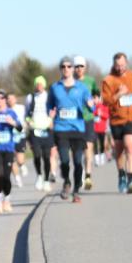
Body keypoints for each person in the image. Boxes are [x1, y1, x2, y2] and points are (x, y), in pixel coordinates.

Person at [48, 56, 93, 203]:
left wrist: (91, 104)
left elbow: (91, 105)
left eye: (69, 66)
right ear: (60, 69)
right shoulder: (55, 87)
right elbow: (49, 105)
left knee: (78, 161)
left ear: (73, 69)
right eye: (63, 66)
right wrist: (51, 113)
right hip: (61, 129)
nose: (66, 69)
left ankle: (76, 191)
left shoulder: (82, 87)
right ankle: (67, 181)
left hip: (78, 129)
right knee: (65, 160)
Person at [101, 52, 132, 193]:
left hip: (131, 118)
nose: (120, 68)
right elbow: (105, 101)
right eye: (118, 65)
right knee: (119, 151)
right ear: (114, 65)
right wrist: (119, 94)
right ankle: (121, 175)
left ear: (127, 63)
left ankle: (131, 180)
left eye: (123, 65)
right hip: (116, 120)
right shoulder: (108, 80)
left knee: (129, 147)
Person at [25, 75, 54, 192]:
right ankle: (39, 176)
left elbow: (54, 110)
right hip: (35, 129)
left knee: (47, 157)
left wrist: (52, 119)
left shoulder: (49, 97)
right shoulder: (30, 97)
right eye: (37, 84)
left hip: (47, 129)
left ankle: (46, 180)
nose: (39, 86)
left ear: (44, 85)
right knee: (37, 155)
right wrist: (28, 122)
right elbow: (26, 113)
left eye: (41, 84)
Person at [73, 56, 98, 190]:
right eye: (76, 66)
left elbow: (96, 94)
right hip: (74, 120)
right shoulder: (69, 82)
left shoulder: (91, 81)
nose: (79, 69)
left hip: (88, 118)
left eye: (81, 66)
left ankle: (88, 175)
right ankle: (80, 173)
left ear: (85, 68)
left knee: (88, 149)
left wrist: (95, 100)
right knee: (77, 150)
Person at [8, 93, 29, 187]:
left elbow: (27, 117)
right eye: (8, 99)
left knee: (19, 159)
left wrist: (27, 124)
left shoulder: (21, 108)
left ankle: (22, 165)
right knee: (11, 159)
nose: (10, 100)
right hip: (9, 136)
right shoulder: (5, 110)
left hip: (20, 135)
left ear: (15, 99)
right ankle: (17, 178)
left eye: (12, 98)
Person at [92, 91, 110, 165]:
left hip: (102, 128)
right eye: (93, 98)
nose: (94, 100)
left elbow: (107, 116)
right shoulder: (92, 107)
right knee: (95, 144)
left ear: (99, 98)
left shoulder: (103, 106)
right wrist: (94, 113)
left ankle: (102, 157)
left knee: (102, 143)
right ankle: (96, 159)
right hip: (94, 128)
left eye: (95, 98)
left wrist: (101, 114)